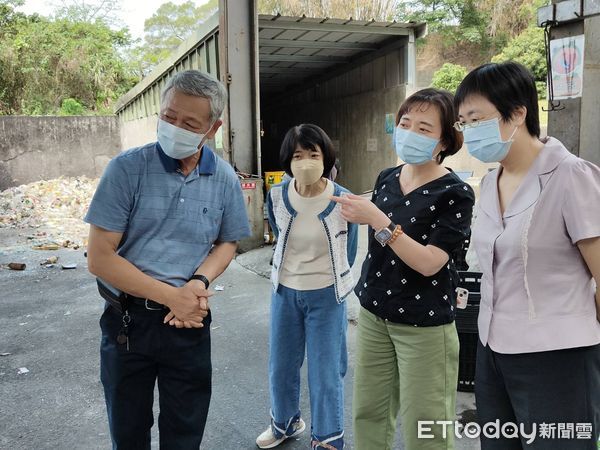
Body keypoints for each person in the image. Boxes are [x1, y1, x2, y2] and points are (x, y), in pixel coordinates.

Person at [85, 69, 251, 449]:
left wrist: (199, 282)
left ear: (212, 128)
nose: (175, 127)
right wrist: (170, 296)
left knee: (185, 431)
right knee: (128, 432)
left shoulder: (224, 178)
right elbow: (99, 257)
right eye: (168, 117)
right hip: (129, 321)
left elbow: (227, 243)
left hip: (188, 323)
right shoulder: (126, 169)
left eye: (189, 122)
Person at [454, 61, 600, 449]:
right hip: (493, 348)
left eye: (477, 118)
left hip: (557, 356)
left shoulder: (571, 175)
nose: (469, 131)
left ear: (518, 112)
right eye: (463, 122)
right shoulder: (489, 182)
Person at [332, 88, 475, 450]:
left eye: (424, 128)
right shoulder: (386, 177)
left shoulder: (455, 193)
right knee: (369, 413)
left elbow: (430, 263)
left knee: (425, 426)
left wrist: (379, 221)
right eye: (405, 122)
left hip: (424, 326)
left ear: (444, 141)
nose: (409, 132)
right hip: (374, 313)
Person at [256, 124, 358, 450]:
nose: (305, 162)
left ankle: (327, 438)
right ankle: (284, 423)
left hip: (328, 296)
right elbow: (278, 231)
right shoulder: (277, 196)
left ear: (326, 157)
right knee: (281, 365)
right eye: (298, 155)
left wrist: (336, 278)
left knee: (326, 372)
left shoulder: (344, 199)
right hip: (285, 292)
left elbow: (350, 249)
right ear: (288, 160)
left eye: (313, 154)